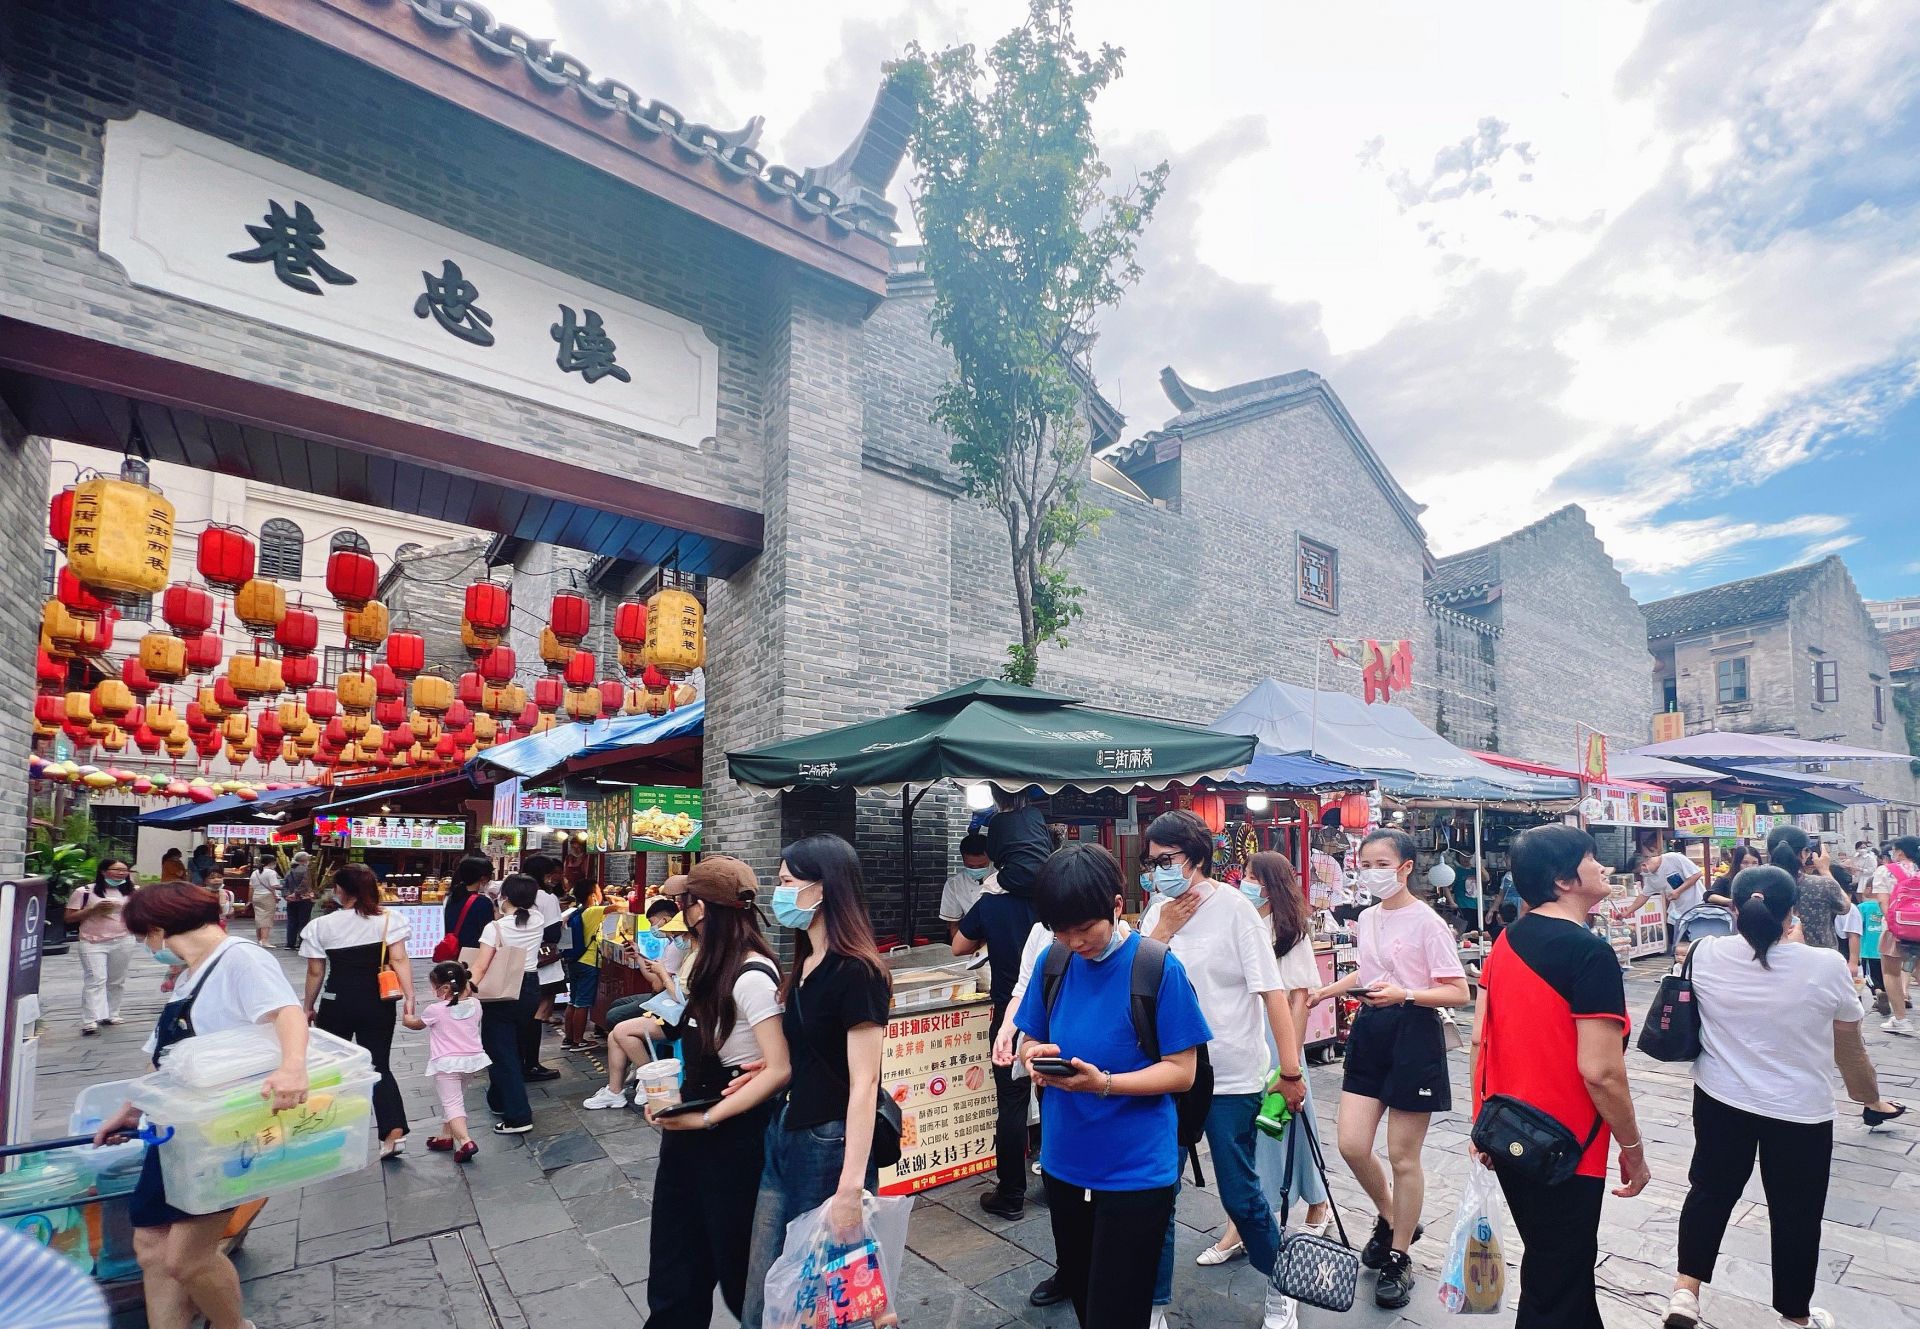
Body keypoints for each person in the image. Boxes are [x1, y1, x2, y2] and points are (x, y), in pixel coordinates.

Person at [1662, 866, 1906, 1329]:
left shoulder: (1704, 952)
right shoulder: (1826, 965)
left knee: (1710, 1191)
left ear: (1734, 910)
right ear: (1792, 911)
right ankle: (1794, 1316)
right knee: (1796, 1212)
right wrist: (1868, 1096)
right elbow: (1849, 1044)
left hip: (1720, 1097)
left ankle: (1685, 1292)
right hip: (1800, 1110)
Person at [1011, 843, 1211, 1329]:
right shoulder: (1054, 961)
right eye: (1061, 930)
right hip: (1064, 1162)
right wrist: (1032, 1055)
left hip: (1135, 1171)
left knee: (1116, 1312)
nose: (1074, 941)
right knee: (1084, 1296)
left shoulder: (1157, 968)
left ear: (1117, 906)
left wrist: (1104, 1084)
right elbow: (1029, 1036)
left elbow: (1181, 1071)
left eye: (1085, 928)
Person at [92, 881, 307, 1329]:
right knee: (151, 1247)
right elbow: (164, 1058)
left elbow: (286, 1012)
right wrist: (132, 1108)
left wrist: (292, 1068)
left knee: (187, 1257)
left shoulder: (242, 958)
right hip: (176, 1129)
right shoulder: (191, 975)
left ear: (158, 929)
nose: (148, 946)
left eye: (144, 936)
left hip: (223, 1132)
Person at [1470, 825, 1650, 1329]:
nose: (1603, 866)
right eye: (1591, 858)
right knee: (1558, 1284)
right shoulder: (1589, 954)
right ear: (1564, 880)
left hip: (1510, 1133)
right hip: (1568, 1147)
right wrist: (1633, 1149)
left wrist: (1481, 1122)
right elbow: (1601, 1072)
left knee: (1555, 1268)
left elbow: (1481, 1040)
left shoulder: (1507, 941)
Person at [1137, 812, 1305, 1329]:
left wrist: (1291, 1071)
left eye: (1167, 860)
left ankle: (1281, 1284)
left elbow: (1272, 994)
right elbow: (1138, 983)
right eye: (1151, 862)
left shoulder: (1236, 911)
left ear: (1196, 857)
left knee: (1240, 1192)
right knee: (1158, 1193)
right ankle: (1154, 1305)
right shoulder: (1156, 912)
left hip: (1230, 1075)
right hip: (1170, 1072)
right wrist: (1161, 931)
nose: (1158, 871)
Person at [1309, 828, 1471, 1309]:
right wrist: (1326, 991)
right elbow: (1369, 971)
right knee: (1351, 1144)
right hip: (1371, 1031)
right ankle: (1393, 1217)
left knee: (1403, 1157)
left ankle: (1399, 1256)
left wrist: (1407, 994)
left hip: (1414, 1034)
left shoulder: (1427, 922)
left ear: (1405, 867)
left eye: (1382, 864)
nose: (1372, 872)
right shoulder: (1368, 917)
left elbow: (1458, 991)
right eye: (1366, 864)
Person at [741, 834, 891, 1329]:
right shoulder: (804, 962)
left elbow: (865, 1082)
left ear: (822, 887)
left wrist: (850, 1189)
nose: (779, 892)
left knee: (817, 1297)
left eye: (787, 882)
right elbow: (814, 1048)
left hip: (828, 1141)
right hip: (785, 1128)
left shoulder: (858, 972)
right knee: (766, 1282)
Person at [636, 857, 792, 1327]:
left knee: (740, 1268)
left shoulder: (751, 975)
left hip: (734, 1138)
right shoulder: (706, 961)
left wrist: (707, 1117)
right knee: (675, 1264)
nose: (679, 910)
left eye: (684, 901)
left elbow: (779, 1068)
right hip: (690, 1128)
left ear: (700, 908)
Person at [1201, 852, 1332, 1268]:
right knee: (1258, 1131)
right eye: (1245, 875)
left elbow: (1298, 997)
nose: (1246, 882)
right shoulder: (1238, 920)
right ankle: (1249, 1219)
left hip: (1278, 1042)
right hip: (1242, 1035)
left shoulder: (1290, 931)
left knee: (1285, 1125)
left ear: (1272, 885)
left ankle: (1306, 1205)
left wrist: (1290, 1057)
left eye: (1254, 877)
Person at [299, 863, 414, 1159]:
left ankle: (331, 1130)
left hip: (337, 1001)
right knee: (378, 1064)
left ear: (340, 890)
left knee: (332, 1067)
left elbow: (315, 972)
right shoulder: (390, 919)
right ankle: (393, 1132)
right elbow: (399, 960)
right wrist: (410, 997)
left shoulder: (321, 926)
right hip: (378, 1001)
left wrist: (307, 1007)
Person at [951, 841, 1041, 1220]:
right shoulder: (1052, 899)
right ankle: (1058, 1182)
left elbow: (958, 946)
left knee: (1012, 1104)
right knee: (1056, 1097)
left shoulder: (991, 902)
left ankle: (1011, 1194)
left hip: (1010, 1013)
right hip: (1054, 1010)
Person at [467, 873, 546, 1136]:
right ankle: (498, 1100)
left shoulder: (495, 928)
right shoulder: (537, 919)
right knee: (511, 1047)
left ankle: (518, 1116)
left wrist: (465, 991)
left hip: (503, 991)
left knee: (501, 1053)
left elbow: (480, 965)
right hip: (530, 988)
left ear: (505, 897)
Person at [401, 960, 488, 1163]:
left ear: (445, 988)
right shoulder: (476, 1005)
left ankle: (465, 1141)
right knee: (456, 1099)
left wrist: (407, 1014)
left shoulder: (436, 1010)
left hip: (447, 1064)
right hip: (471, 1061)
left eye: (434, 987)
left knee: (452, 1104)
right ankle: (446, 1136)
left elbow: (415, 1024)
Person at [67, 858, 138, 1035]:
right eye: (116, 869)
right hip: (92, 941)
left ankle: (112, 1013)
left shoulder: (133, 892)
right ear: (103, 871)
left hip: (123, 939)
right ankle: (90, 1020)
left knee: (116, 979)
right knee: (96, 978)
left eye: (124, 870)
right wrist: (93, 910)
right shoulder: (84, 892)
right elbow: (69, 917)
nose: (121, 873)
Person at [519, 853, 567, 1077]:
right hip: (542, 963)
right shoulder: (547, 898)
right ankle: (531, 1064)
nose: (552, 878)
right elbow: (553, 934)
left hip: (517, 961)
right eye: (550, 873)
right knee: (537, 1014)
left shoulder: (513, 893)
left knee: (521, 1014)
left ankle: (519, 1060)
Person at [1768, 825, 1850, 951]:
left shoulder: (1756, 882)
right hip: (1819, 956)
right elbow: (1845, 906)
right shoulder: (1821, 885)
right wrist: (1825, 870)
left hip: (1769, 955)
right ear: (1803, 853)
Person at [1875, 836, 1920, 1034]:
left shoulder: (1885, 871)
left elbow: (1883, 902)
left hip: (1896, 929)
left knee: (1891, 972)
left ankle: (1901, 1020)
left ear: (1900, 852)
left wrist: (1894, 927)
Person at [559, 880, 606, 1052]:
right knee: (582, 1003)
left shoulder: (575, 911)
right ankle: (578, 1041)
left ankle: (568, 1038)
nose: (601, 894)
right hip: (588, 962)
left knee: (573, 1000)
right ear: (593, 895)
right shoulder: (593, 911)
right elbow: (622, 907)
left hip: (575, 960)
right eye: (599, 890)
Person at [987, 788, 1051, 899]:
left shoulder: (996, 820)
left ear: (996, 797)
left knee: (986, 887)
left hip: (1012, 880)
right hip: (1045, 879)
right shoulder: (1035, 813)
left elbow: (992, 855)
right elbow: (1049, 846)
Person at [940, 831, 995, 941]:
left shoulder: (1003, 878)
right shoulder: (954, 884)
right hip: (971, 938)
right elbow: (954, 924)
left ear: (990, 858)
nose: (976, 869)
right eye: (970, 866)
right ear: (963, 860)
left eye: (982, 865)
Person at [443, 854, 497, 954]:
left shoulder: (451, 896)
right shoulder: (482, 902)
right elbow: (488, 932)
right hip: (473, 953)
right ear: (483, 878)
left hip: (454, 950)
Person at [281, 851, 315, 951]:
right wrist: (296, 894)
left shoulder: (290, 870)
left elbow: (284, 884)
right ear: (305, 860)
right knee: (303, 922)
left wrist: (287, 895)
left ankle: (290, 943)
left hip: (291, 900)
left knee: (292, 921)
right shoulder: (306, 870)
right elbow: (305, 884)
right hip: (304, 898)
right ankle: (301, 943)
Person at [247, 854, 281, 948]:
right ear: (272, 862)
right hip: (267, 897)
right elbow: (274, 885)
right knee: (267, 919)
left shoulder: (255, 873)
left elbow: (251, 887)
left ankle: (260, 940)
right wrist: (285, 886)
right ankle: (264, 940)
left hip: (256, 896)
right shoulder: (271, 872)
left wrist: (249, 900)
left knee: (259, 918)